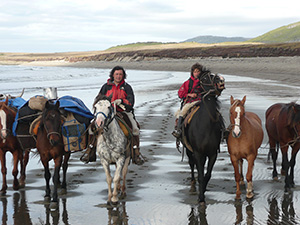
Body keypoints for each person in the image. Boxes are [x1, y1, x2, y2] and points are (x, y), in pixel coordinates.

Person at [96, 66, 144, 165]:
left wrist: (121, 101)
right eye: (116, 74)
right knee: (93, 128)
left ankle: (136, 152)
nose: (118, 76)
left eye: (120, 74)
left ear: (123, 76)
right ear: (112, 75)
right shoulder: (106, 86)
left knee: (135, 129)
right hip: (108, 113)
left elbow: (131, 102)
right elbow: (99, 99)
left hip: (123, 112)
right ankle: (90, 150)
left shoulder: (127, 87)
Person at [172, 63, 205, 139]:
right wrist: (189, 95)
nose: (197, 73)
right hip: (191, 102)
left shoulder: (204, 82)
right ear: (192, 73)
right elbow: (180, 93)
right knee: (182, 112)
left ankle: (221, 130)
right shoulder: (187, 83)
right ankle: (179, 130)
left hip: (203, 101)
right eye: (195, 72)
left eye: (198, 71)